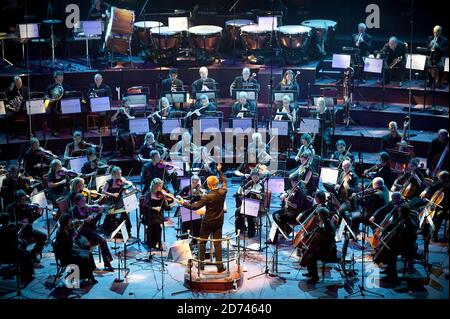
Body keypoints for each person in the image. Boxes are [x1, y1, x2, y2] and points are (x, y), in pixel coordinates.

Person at [179, 164, 227, 272]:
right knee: (217, 243)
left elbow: (194, 206)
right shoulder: (223, 192)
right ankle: (220, 267)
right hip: (219, 222)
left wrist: (183, 203)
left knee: (202, 243)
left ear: (209, 186)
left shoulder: (207, 196)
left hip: (207, 222)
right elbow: (224, 181)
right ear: (216, 183)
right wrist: (220, 171)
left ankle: (201, 266)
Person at [67, 178, 114, 271]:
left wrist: (97, 214)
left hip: (88, 231)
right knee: (86, 246)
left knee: (103, 241)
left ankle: (107, 263)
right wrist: (84, 220)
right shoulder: (73, 210)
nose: (85, 203)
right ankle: (91, 267)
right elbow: (73, 224)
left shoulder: (86, 208)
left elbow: (93, 219)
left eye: (85, 201)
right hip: (79, 233)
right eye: (83, 202)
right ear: (77, 202)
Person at [373, 205, 418, 283]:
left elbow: (411, 238)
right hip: (400, 242)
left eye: (400, 211)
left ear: (404, 213)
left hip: (408, 246)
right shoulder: (402, 217)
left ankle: (393, 276)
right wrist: (383, 231)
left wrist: (399, 236)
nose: (398, 212)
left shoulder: (410, 223)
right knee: (388, 248)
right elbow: (392, 224)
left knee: (391, 252)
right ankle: (389, 270)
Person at [53, 214, 98, 285]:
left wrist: (76, 228)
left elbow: (71, 242)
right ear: (65, 222)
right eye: (70, 220)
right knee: (84, 258)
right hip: (65, 256)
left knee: (88, 253)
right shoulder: (60, 232)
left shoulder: (68, 229)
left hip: (69, 251)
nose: (71, 222)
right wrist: (73, 238)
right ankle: (89, 277)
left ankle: (86, 275)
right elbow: (67, 245)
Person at [6, 190, 47, 264]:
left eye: (25, 199)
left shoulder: (27, 207)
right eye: (22, 200)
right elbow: (8, 223)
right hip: (17, 232)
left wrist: (37, 214)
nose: (24, 201)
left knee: (43, 236)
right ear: (17, 199)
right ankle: (24, 261)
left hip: (28, 230)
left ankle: (33, 254)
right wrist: (20, 223)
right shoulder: (11, 208)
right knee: (22, 243)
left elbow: (31, 220)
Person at [301, 207, 337, 284]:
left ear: (322, 216)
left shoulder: (329, 226)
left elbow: (326, 240)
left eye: (319, 215)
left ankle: (315, 278)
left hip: (329, 250)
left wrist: (320, 231)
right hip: (324, 246)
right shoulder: (324, 222)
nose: (318, 217)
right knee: (306, 250)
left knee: (311, 256)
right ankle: (311, 272)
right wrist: (308, 235)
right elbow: (316, 231)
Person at [0, 212, 34, 284]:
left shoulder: (1, 229)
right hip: (10, 254)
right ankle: (26, 277)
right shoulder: (10, 231)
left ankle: (23, 270)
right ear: (8, 220)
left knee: (24, 245)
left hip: (2, 253)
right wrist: (21, 229)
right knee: (27, 254)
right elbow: (16, 242)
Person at [141, 178, 174, 249]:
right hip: (148, 215)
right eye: (160, 186)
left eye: (161, 186)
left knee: (157, 223)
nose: (161, 188)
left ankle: (155, 243)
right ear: (154, 186)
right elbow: (145, 206)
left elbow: (166, 207)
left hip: (159, 216)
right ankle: (158, 242)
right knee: (157, 225)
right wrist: (154, 208)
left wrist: (173, 203)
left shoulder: (162, 195)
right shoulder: (148, 195)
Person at [101, 166, 132, 234]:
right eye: (118, 174)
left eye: (120, 173)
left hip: (119, 202)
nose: (120, 175)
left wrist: (134, 190)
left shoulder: (122, 182)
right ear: (113, 174)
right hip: (110, 201)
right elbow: (103, 191)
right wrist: (112, 194)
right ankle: (109, 228)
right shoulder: (109, 182)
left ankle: (127, 229)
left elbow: (126, 193)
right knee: (112, 210)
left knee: (125, 212)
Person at [420, 170, 449, 242]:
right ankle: (424, 230)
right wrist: (425, 191)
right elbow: (431, 187)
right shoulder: (440, 183)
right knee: (426, 210)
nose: (439, 181)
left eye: (441, 180)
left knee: (439, 215)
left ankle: (434, 234)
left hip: (445, 208)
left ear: (445, 179)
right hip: (436, 205)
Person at [234, 169, 264, 238]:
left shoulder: (261, 184)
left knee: (249, 213)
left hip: (258, 205)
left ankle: (251, 231)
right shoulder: (251, 182)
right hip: (250, 203)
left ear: (259, 177)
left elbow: (261, 196)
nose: (254, 178)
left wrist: (252, 191)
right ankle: (240, 228)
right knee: (237, 211)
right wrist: (244, 192)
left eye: (256, 177)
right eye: (253, 177)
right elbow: (243, 188)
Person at [176, 175, 206, 239]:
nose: (194, 184)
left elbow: (205, 197)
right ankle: (185, 239)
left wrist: (203, 194)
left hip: (196, 209)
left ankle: (196, 240)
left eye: (196, 182)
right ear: (191, 181)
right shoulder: (187, 188)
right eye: (193, 182)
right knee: (186, 224)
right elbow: (178, 195)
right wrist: (179, 197)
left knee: (197, 223)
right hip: (187, 208)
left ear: (198, 182)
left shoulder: (200, 189)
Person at [45, 71, 72, 136]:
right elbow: (46, 96)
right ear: (55, 78)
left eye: (62, 79)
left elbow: (71, 95)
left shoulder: (67, 87)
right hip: (55, 106)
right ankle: (55, 130)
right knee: (54, 111)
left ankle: (72, 129)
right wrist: (50, 99)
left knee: (74, 110)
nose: (61, 80)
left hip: (65, 106)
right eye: (59, 79)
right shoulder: (50, 87)